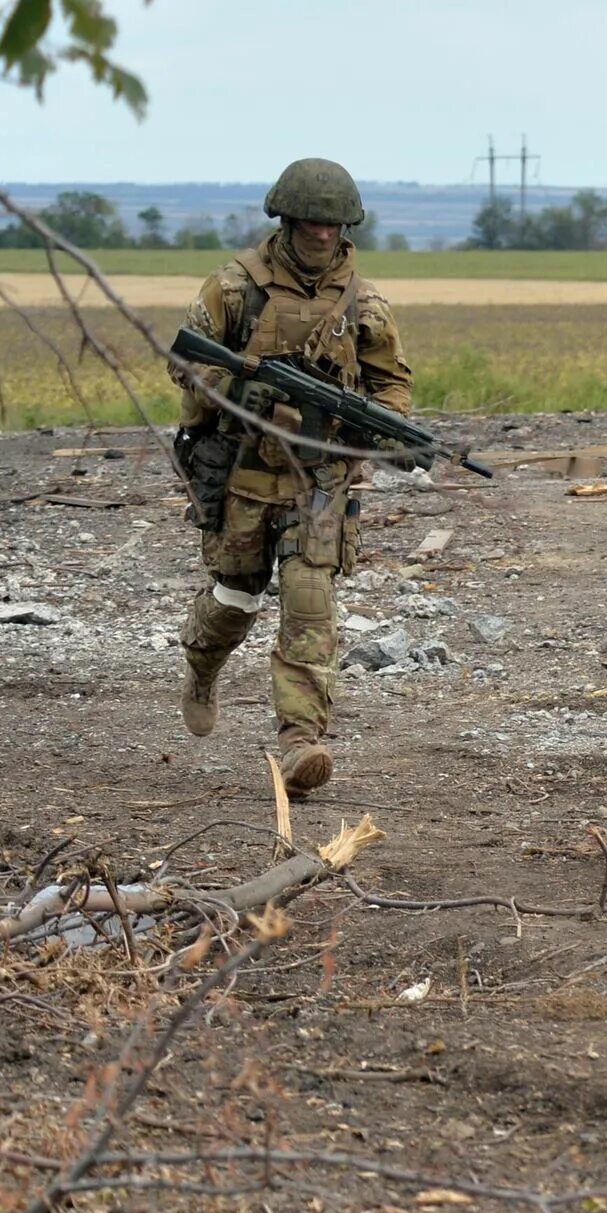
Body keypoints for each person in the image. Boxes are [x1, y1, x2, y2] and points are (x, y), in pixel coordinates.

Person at [171, 157, 411, 796]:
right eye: (312, 221)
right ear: (286, 217)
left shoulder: (364, 301)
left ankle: (300, 742)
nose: (324, 234)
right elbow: (186, 366)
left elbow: (391, 381)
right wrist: (247, 395)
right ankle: (199, 668)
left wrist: (388, 427)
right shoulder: (233, 287)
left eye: (335, 224)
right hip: (245, 474)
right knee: (235, 598)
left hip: (321, 480)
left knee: (310, 608)